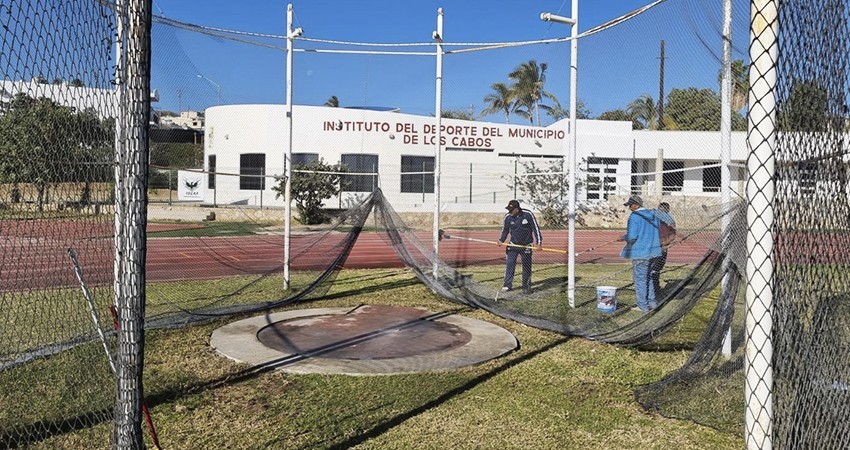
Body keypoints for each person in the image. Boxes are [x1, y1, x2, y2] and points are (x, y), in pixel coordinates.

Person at [618, 195, 662, 312]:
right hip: (654, 251)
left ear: (636, 205)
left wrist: (624, 237)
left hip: (641, 252)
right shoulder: (654, 215)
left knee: (640, 279)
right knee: (649, 277)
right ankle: (652, 302)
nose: (629, 208)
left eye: (630, 206)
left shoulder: (634, 216)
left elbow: (633, 236)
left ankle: (642, 305)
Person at [498, 200, 542, 294]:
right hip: (513, 245)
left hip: (527, 246)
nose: (510, 212)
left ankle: (526, 287)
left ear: (517, 209)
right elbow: (505, 230)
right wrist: (501, 240)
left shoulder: (528, 214)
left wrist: (539, 243)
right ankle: (507, 285)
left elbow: (535, 228)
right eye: (509, 210)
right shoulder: (508, 217)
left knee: (526, 267)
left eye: (511, 210)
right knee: (510, 264)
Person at [649, 202, 677, 297]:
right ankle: (654, 291)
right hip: (661, 248)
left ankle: (653, 291)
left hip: (653, 247)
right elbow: (673, 234)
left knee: (651, 270)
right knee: (655, 270)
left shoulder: (653, 215)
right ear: (668, 210)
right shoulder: (670, 219)